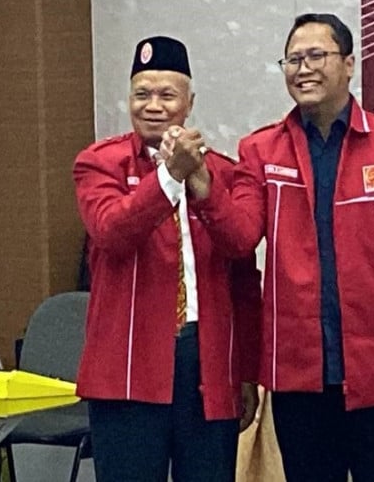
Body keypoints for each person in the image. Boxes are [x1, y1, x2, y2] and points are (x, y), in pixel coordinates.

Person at [195, 13, 374, 481]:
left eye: (316, 56)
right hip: (299, 375)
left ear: (349, 63)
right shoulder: (261, 151)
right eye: (293, 60)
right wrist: (203, 186)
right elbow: (240, 238)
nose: (304, 69)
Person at [72, 35, 261, 482]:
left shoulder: (225, 171)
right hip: (127, 366)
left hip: (206, 361)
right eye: (142, 94)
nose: (153, 106)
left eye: (167, 95)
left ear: (189, 103)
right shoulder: (99, 164)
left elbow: (242, 249)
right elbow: (112, 232)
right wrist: (169, 177)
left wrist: (203, 186)